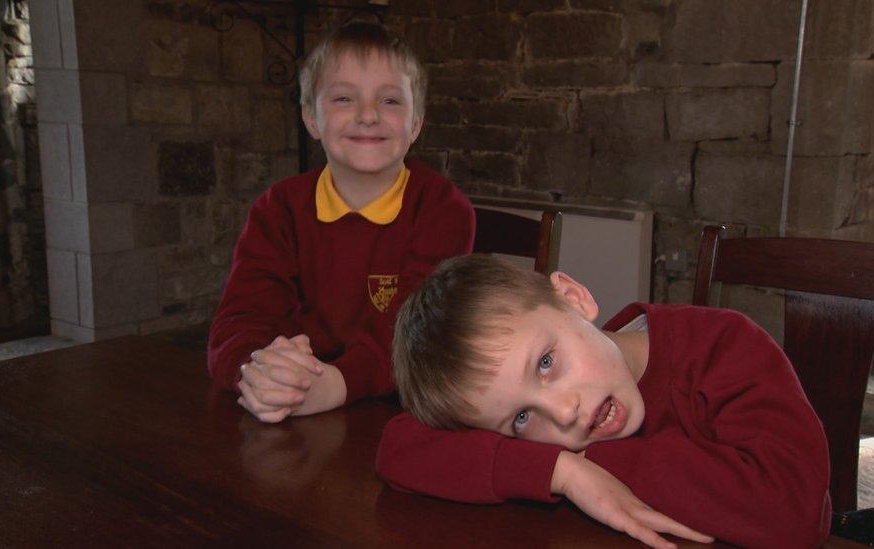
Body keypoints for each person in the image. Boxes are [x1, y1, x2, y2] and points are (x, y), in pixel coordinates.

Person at [376, 254, 832, 549]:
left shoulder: (723, 347)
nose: (562, 412)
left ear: (573, 298)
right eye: (520, 417)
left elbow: (793, 515)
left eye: (546, 363)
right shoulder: (553, 409)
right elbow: (399, 448)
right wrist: (564, 471)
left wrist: (597, 457)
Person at [207, 21, 475, 422]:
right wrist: (256, 372)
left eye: (389, 101)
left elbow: (416, 337)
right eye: (344, 98)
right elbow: (240, 319)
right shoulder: (277, 209)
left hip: (400, 415)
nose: (367, 116)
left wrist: (338, 382)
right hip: (298, 408)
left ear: (416, 123)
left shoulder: (443, 209)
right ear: (311, 119)